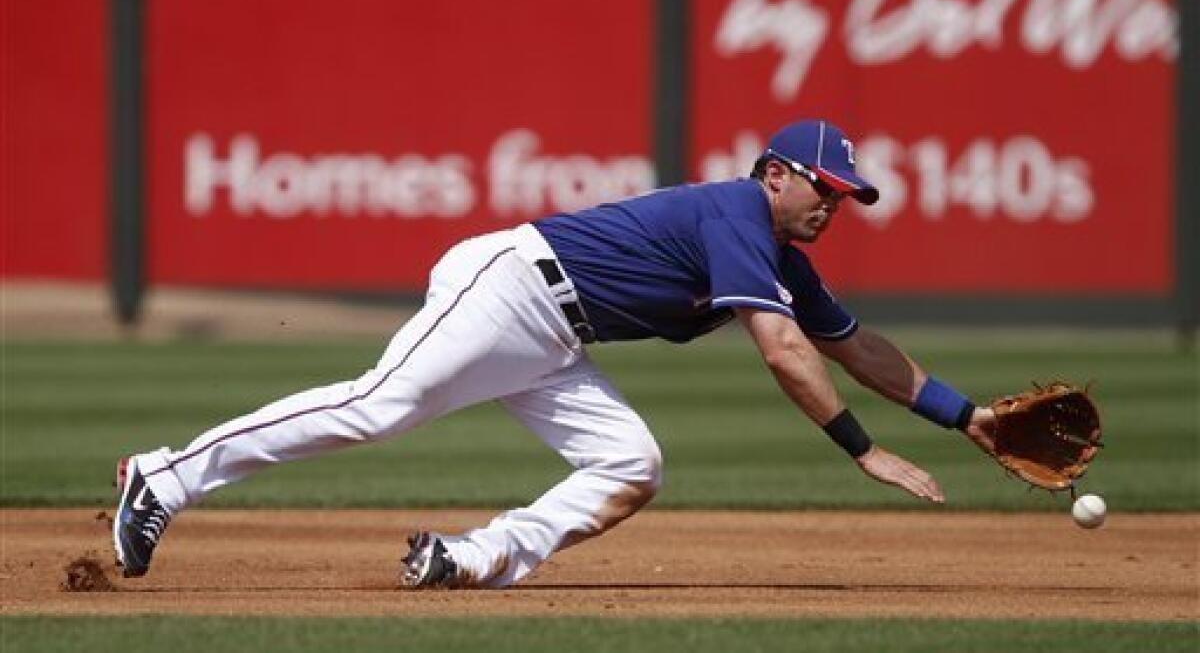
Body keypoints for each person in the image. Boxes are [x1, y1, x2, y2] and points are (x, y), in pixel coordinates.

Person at [113, 119, 999, 588]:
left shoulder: (779, 259)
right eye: (823, 187)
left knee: (631, 461)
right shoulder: (738, 213)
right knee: (378, 405)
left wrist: (970, 417)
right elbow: (784, 352)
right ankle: (166, 475)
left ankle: (471, 558)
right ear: (776, 172)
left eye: (843, 198)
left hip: (556, 337)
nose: (831, 206)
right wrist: (864, 448)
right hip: (510, 285)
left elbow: (857, 348)